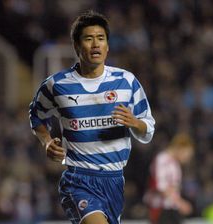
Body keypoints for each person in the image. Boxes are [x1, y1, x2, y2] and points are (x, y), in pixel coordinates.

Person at [29, 10, 155, 224]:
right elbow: (36, 115)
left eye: (101, 38)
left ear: (107, 45)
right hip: (79, 178)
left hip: (115, 179)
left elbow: (148, 128)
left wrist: (135, 123)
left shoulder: (127, 81)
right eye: (88, 39)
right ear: (77, 46)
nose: (96, 44)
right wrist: (47, 141)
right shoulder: (57, 84)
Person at [144, 133, 194, 224]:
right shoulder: (162, 159)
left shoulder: (175, 164)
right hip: (160, 209)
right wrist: (181, 203)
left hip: (171, 208)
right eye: (188, 154)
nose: (188, 159)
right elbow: (161, 187)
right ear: (180, 148)